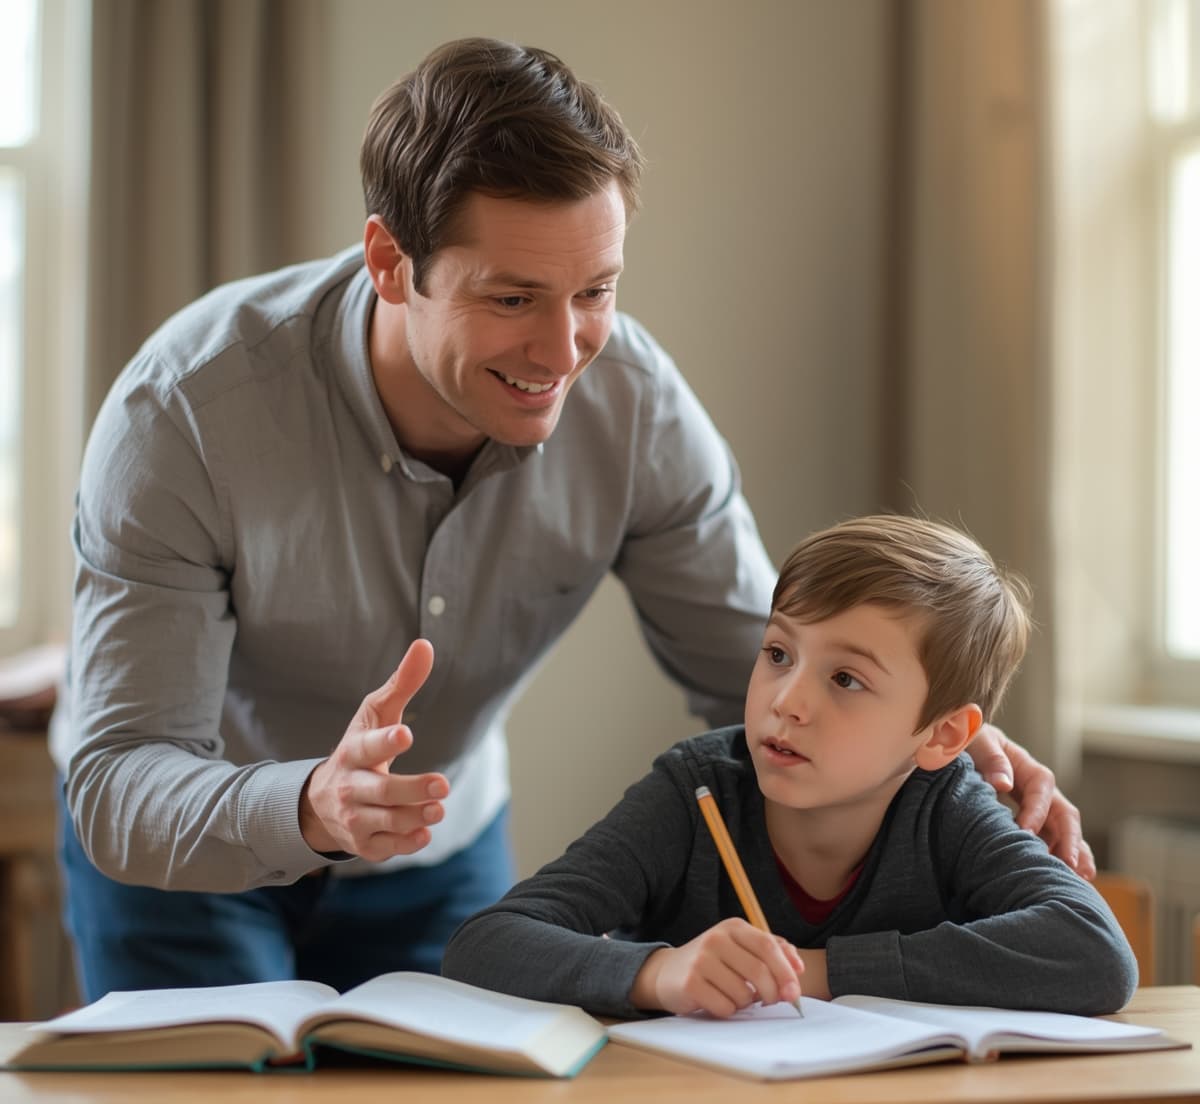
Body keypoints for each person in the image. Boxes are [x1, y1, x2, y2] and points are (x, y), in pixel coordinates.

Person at [54, 37, 1088, 1003]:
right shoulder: (185, 414)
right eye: (512, 300)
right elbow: (120, 780)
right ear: (389, 262)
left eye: (596, 291)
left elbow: (752, 657)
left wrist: (934, 734)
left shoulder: (633, 403)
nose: (564, 351)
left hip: (439, 850)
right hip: (191, 861)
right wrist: (312, 804)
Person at [443, 516, 1135, 1017]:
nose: (787, 702)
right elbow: (486, 945)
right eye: (778, 654)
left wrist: (817, 972)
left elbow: (1095, 952)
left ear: (942, 734)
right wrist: (658, 973)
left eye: (846, 680)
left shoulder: (947, 806)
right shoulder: (696, 790)